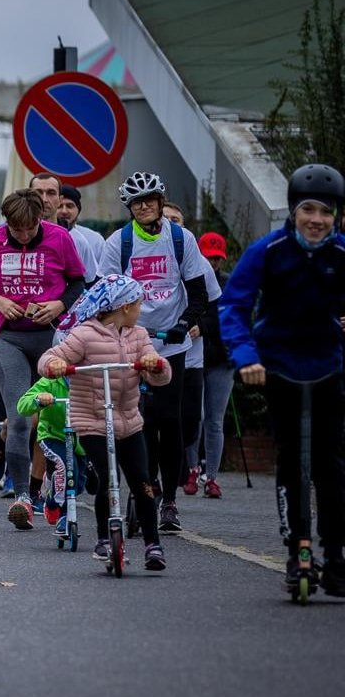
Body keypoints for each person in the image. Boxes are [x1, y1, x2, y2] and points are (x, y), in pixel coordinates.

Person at [220, 163, 345, 596]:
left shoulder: (341, 253)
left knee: (332, 465)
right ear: (293, 212)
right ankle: (297, 552)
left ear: (337, 217)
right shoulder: (268, 251)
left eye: (326, 212)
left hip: (330, 364)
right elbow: (234, 307)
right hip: (277, 366)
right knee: (292, 461)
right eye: (307, 209)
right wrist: (246, 358)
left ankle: (336, 557)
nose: (316, 220)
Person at [97, 172, 218, 533]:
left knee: (170, 418)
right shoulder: (119, 242)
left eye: (150, 199)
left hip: (172, 342)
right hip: (132, 340)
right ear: (130, 208)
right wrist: (117, 326)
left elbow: (199, 294)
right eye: (137, 202)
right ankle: (147, 487)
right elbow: (103, 294)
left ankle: (170, 502)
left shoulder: (181, 239)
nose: (144, 205)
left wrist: (185, 323)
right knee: (138, 419)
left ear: (161, 202)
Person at [0, 189, 86, 530]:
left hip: (52, 336)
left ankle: (51, 487)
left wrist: (60, 304)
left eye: (29, 229)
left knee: (57, 415)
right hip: (9, 337)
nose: (23, 235)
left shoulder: (59, 239)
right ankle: (23, 498)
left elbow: (79, 284)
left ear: (39, 220)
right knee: (20, 416)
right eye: (16, 230)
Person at [39, 275, 171, 569]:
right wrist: (54, 365)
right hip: (93, 421)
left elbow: (159, 372)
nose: (140, 311)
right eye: (138, 305)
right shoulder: (85, 334)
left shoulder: (138, 335)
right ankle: (103, 537)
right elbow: (51, 356)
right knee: (107, 480)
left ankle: (153, 544)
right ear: (124, 307)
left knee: (142, 483)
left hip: (129, 421)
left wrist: (156, 365)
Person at [184, 231, 232, 498]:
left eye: (217, 259)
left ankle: (211, 477)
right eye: (208, 258)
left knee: (215, 420)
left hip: (221, 360)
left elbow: (228, 318)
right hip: (194, 358)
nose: (213, 264)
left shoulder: (228, 284)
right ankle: (192, 468)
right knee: (195, 416)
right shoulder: (190, 278)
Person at [17, 372, 85, 538]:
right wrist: (39, 399)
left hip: (81, 439)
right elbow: (22, 405)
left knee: (79, 482)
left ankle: (51, 499)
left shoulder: (89, 379)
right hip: (53, 435)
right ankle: (64, 516)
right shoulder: (51, 380)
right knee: (66, 467)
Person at [55, 184, 105, 282]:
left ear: (78, 209)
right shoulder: (42, 236)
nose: (64, 211)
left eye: (70, 206)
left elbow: (102, 277)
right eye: (59, 206)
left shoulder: (95, 239)